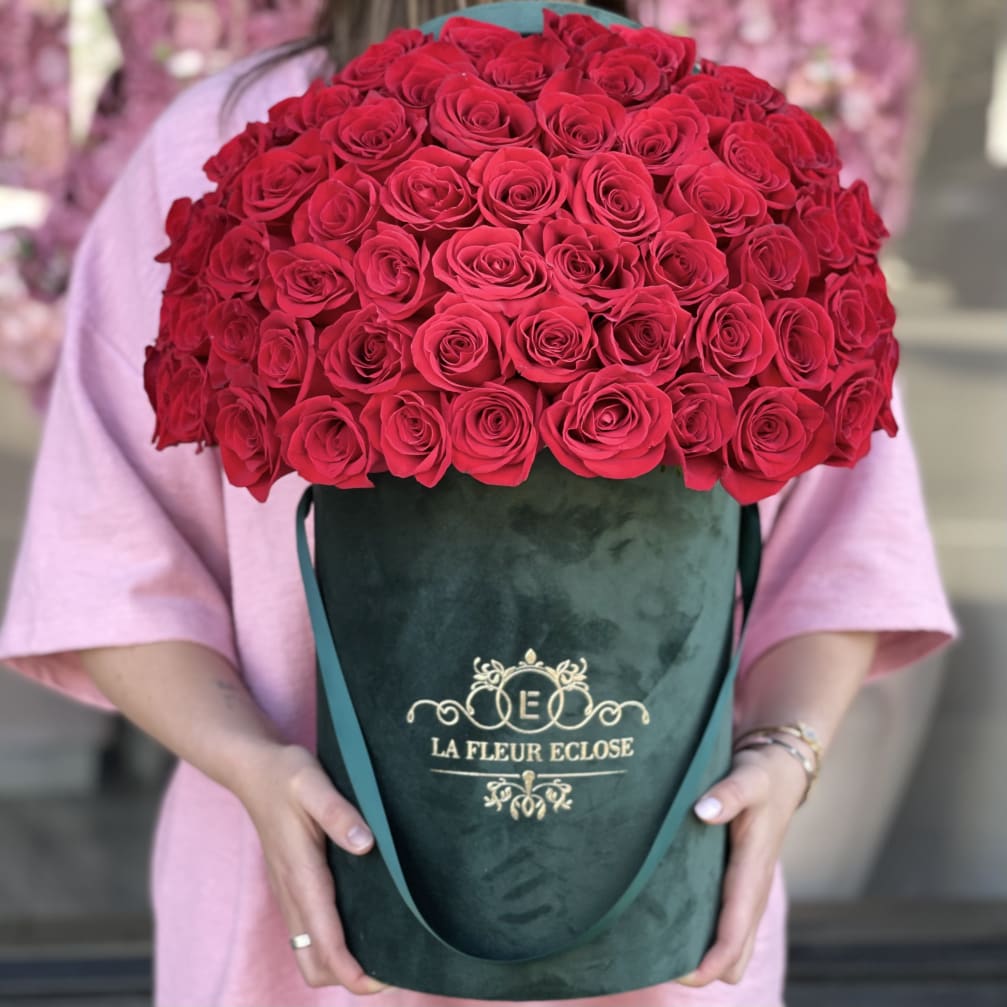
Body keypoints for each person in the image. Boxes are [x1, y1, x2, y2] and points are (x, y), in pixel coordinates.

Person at [0, 1, 955, 1004]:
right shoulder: (222, 143)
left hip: (658, 930)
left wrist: (785, 752)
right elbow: (111, 564)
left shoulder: (724, 152)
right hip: (305, 931)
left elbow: (840, 551)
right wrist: (250, 765)